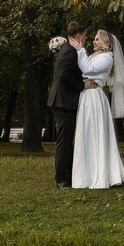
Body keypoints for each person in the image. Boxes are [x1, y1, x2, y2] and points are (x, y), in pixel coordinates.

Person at [71, 30, 124, 191]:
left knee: (95, 132)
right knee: (86, 133)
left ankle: (101, 172)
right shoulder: (94, 56)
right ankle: (86, 174)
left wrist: (80, 50)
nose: (93, 41)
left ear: (105, 42)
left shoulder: (107, 58)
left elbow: (88, 69)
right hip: (86, 95)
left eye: (97, 39)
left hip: (94, 97)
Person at [48, 30, 84, 186]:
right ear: (77, 36)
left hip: (62, 101)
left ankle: (66, 176)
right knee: (65, 140)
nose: (86, 39)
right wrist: (83, 86)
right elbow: (64, 76)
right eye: (85, 36)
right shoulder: (70, 53)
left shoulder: (67, 49)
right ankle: (62, 179)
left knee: (66, 140)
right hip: (64, 102)